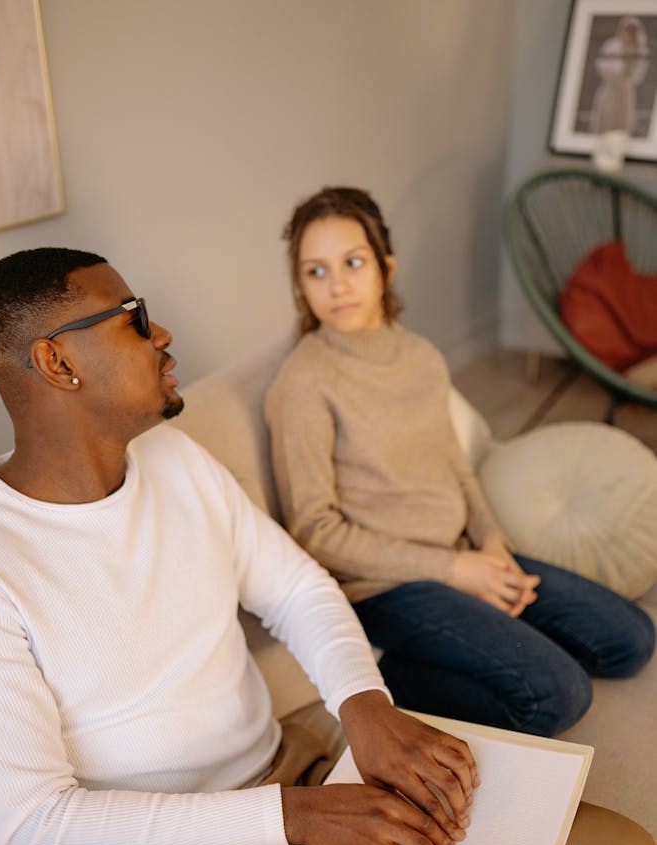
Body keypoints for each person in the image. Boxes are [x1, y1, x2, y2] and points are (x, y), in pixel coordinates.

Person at [0, 247, 655, 845]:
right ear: (56, 360)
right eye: (135, 318)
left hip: (302, 766)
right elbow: (33, 832)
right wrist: (294, 819)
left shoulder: (177, 461)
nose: (165, 333)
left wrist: (365, 706)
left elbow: (297, 588)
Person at [264, 186, 655, 737]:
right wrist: (454, 572)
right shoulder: (303, 383)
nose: (338, 286)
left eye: (353, 262)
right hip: (386, 587)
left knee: (630, 640)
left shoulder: (421, 356)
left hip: (464, 555)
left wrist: (491, 544)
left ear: (386, 267)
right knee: (559, 696)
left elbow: (453, 465)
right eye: (315, 272)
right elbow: (316, 531)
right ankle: (387, 678)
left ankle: (475, 639)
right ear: (300, 286)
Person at [590, 16, 650, 137]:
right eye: (627, 30)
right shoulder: (612, 45)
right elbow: (601, 63)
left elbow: (638, 73)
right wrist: (613, 76)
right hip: (610, 87)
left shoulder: (640, 51)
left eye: (632, 32)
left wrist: (625, 80)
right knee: (606, 116)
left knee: (622, 121)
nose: (628, 34)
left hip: (626, 91)